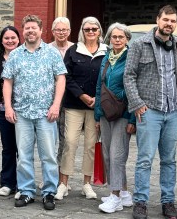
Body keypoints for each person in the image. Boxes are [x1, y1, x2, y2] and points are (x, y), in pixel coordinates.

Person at [2, 15, 66, 211]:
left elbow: (61, 79)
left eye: (34, 28)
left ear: (41, 30)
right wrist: (8, 107)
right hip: (22, 113)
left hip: (47, 114)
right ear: (23, 31)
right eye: (27, 28)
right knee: (24, 155)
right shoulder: (15, 55)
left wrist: (56, 105)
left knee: (48, 155)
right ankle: (27, 191)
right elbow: (7, 82)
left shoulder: (52, 53)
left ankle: (49, 193)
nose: (30, 31)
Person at [124, 4, 177, 219]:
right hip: (150, 111)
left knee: (170, 160)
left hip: (174, 111)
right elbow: (129, 76)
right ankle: (140, 202)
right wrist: (138, 104)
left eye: (173, 21)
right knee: (145, 159)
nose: (169, 24)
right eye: (166, 19)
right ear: (158, 20)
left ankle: (168, 202)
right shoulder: (139, 45)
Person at [57, 16, 106, 200]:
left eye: (94, 29)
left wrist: (97, 99)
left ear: (100, 31)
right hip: (74, 105)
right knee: (69, 143)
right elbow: (66, 76)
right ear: (82, 31)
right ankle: (64, 183)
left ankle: (86, 183)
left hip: (96, 106)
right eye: (87, 29)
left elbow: (107, 78)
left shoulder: (106, 51)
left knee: (91, 146)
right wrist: (82, 95)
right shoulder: (73, 50)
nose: (91, 32)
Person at [95, 23, 136, 214]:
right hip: (106, 113)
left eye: (121, 37)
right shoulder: (106, 59)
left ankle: (115, 197)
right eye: (114, 37)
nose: (117, 40)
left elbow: (134, 89)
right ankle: (123, 193)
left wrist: (132, 120)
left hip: (123, 113)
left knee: (117, 155)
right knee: (107, 154)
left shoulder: (131, 59)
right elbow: (99, 87)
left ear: (127, 39)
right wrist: (97, 114)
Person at [0, 25, 21, 196]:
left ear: (18, 39)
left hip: (23, 109)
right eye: (6, 38)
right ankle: (8, 182)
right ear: (2, 41)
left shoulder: (25, 57)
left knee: (23, 148)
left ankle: (23, 183)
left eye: (13, 38)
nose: (10, 41)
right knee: (8, 147)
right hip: (2, 109)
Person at [49, 17, 73, 185]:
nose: (61, 33)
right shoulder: (47, 49)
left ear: (69, 32)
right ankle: (49, 177)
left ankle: (62, 180)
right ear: (52, 32)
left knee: (66, 141)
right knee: (49, 140)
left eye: (64, 30)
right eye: (58, 30)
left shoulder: (75, 48)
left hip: (69, 101)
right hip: (50, 101)